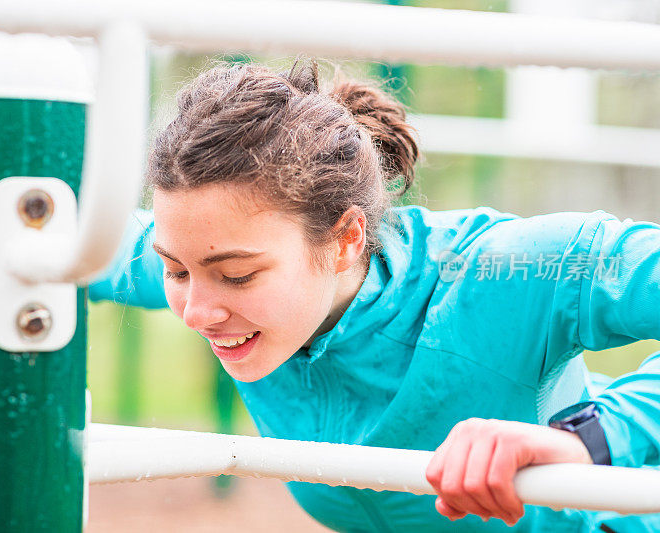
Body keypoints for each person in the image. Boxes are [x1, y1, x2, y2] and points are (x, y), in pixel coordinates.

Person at [89, 60, 660, 532]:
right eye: (175, 271)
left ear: (345, 240)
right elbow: (66, 246)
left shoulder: (505, 271)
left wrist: (596, 434)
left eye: (237, 277)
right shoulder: (211, 247)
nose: (196, 312)